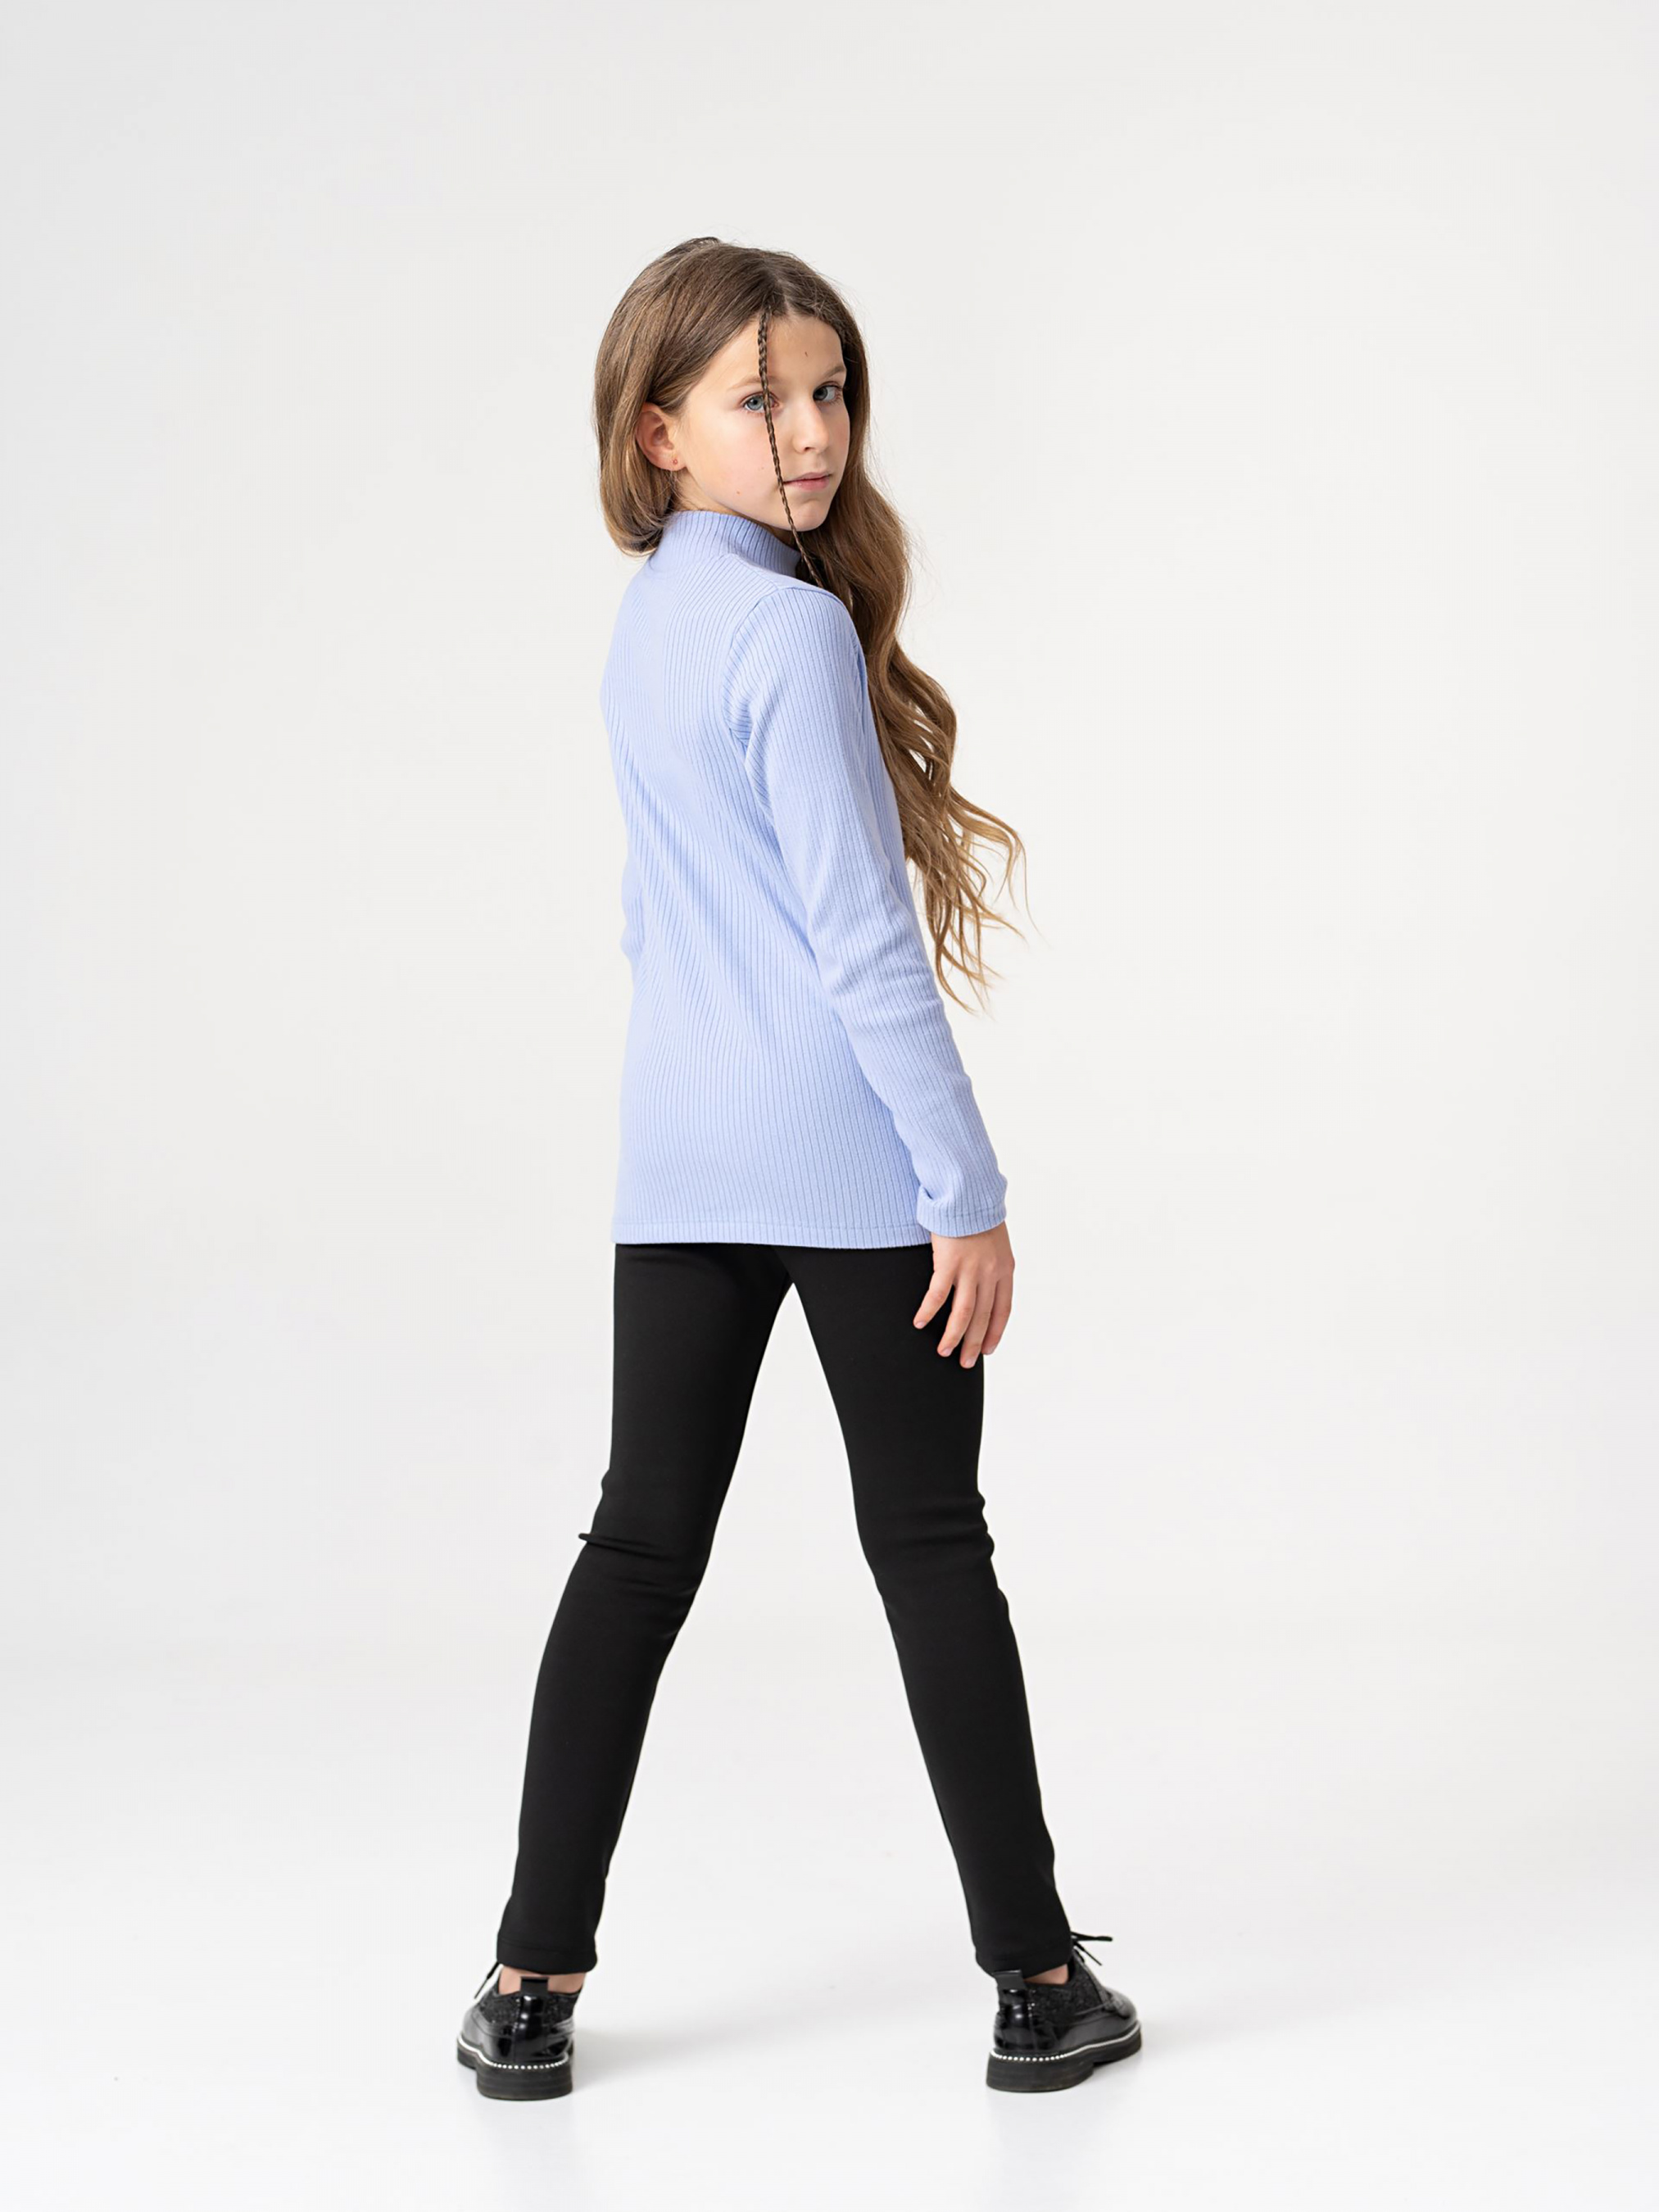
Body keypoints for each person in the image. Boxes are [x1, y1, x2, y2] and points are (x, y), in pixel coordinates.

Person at [455, 239, 1140, 2101]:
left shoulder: (653, 624)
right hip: (842, 1162)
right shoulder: (788, 632)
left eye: (827, 390)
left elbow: (656, 916)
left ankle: (526, 1983)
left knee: (634, 1551)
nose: (811, 429)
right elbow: (857, 945)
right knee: (929, 1550)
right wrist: (962, 1189)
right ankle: (1034, 1984)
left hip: (675, 1156)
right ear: (658, 433)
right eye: (758, 398)